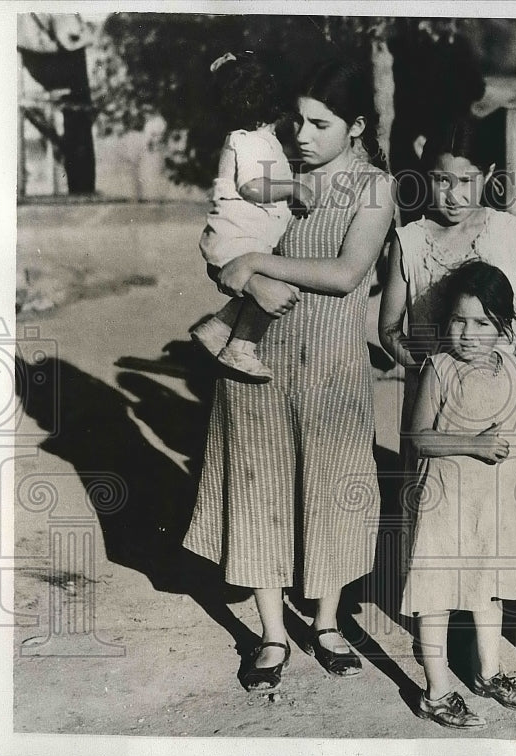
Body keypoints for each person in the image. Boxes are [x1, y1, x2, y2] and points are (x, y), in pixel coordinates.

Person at [183, 57, 396, 691]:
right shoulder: (273, 168)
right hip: (258, 359)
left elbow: (346, 273)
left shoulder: (376, 187)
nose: (301, 134)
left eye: (319, 123)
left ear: (355, 126)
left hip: (331, 362)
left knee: (331, 489)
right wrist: (238, 268)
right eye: (296, 119)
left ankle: (327, 622)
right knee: (261, 490)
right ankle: (274, 634)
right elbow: (220, 239)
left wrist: (257, 264)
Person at [402, 260, 516, 729]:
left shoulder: (511, 366)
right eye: (459, 321)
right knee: (436, 592)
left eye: (482, 323)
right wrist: (472, 444)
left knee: (490, 588)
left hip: (495, 504)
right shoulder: (439, 368)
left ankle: (487, 672)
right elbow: (419, 437)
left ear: (504, 325)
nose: (467, 333)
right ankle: (437, 690)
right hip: (446, 501)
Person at [378, 119, 516, 450]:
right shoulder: (409, 241)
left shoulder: (511, 232)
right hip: (433, 411)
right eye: (441, 180)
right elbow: (389, 330)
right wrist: (437, 373)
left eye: (466, 181)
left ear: (488, 175)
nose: (453, 195)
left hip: (498, 397)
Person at [191, 50, 315, 382]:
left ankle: (217, 329)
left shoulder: (261, 140)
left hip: (240, 241)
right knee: (277, 288)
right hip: (236, 242)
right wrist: (291, 188)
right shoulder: (247, 141)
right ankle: (239, 349)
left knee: (269, 285)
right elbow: (252, 187)